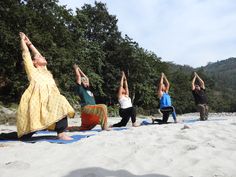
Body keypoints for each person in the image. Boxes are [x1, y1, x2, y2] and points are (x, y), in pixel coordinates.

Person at [17, 32, 75, 140]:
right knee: (25, 136)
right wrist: (22, 40)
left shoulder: (46, 72)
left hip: (49, 103)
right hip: (37, 105)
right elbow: (25, 53)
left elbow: (37, 55)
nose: (42, 56)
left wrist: (30, 44)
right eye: (39, 57)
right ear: (34, 62)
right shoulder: (33, 71)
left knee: (61, 100)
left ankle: (61, 132)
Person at [68, 64, 109, 131]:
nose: (86, 82)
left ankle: (67, 128)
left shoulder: (88, 89)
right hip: (86, 108)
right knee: (103, 107)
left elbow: (86, 78)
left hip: (92, 111)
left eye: (87, 82)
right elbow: (78, 76)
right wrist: (76, 69)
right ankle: (104, 127)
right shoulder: (80, 88)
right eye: (84, 81)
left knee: (83, 128)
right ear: (81, 83)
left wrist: (79, 69)